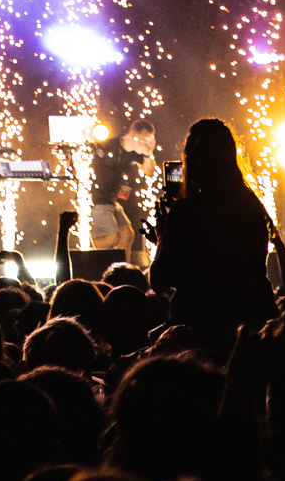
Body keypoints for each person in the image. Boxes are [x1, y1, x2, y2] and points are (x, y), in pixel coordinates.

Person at [148, 118, 275, 340]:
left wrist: (162, 237)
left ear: (193, 159)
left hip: (199, 325)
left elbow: (160, 281)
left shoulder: (187, 210)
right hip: (250, 324)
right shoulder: (252, 206)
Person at [90, 120, 156, 266]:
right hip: (97, 199)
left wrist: (148, 154)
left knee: (127, 235)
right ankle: (89, 247)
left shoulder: (134, 154)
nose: (147, 145)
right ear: (133, 136)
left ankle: (122, 269)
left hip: (112, 200)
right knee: (113, 237)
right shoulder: (109, 145)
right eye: (144, 141)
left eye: (150, 141)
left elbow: (149, 171)